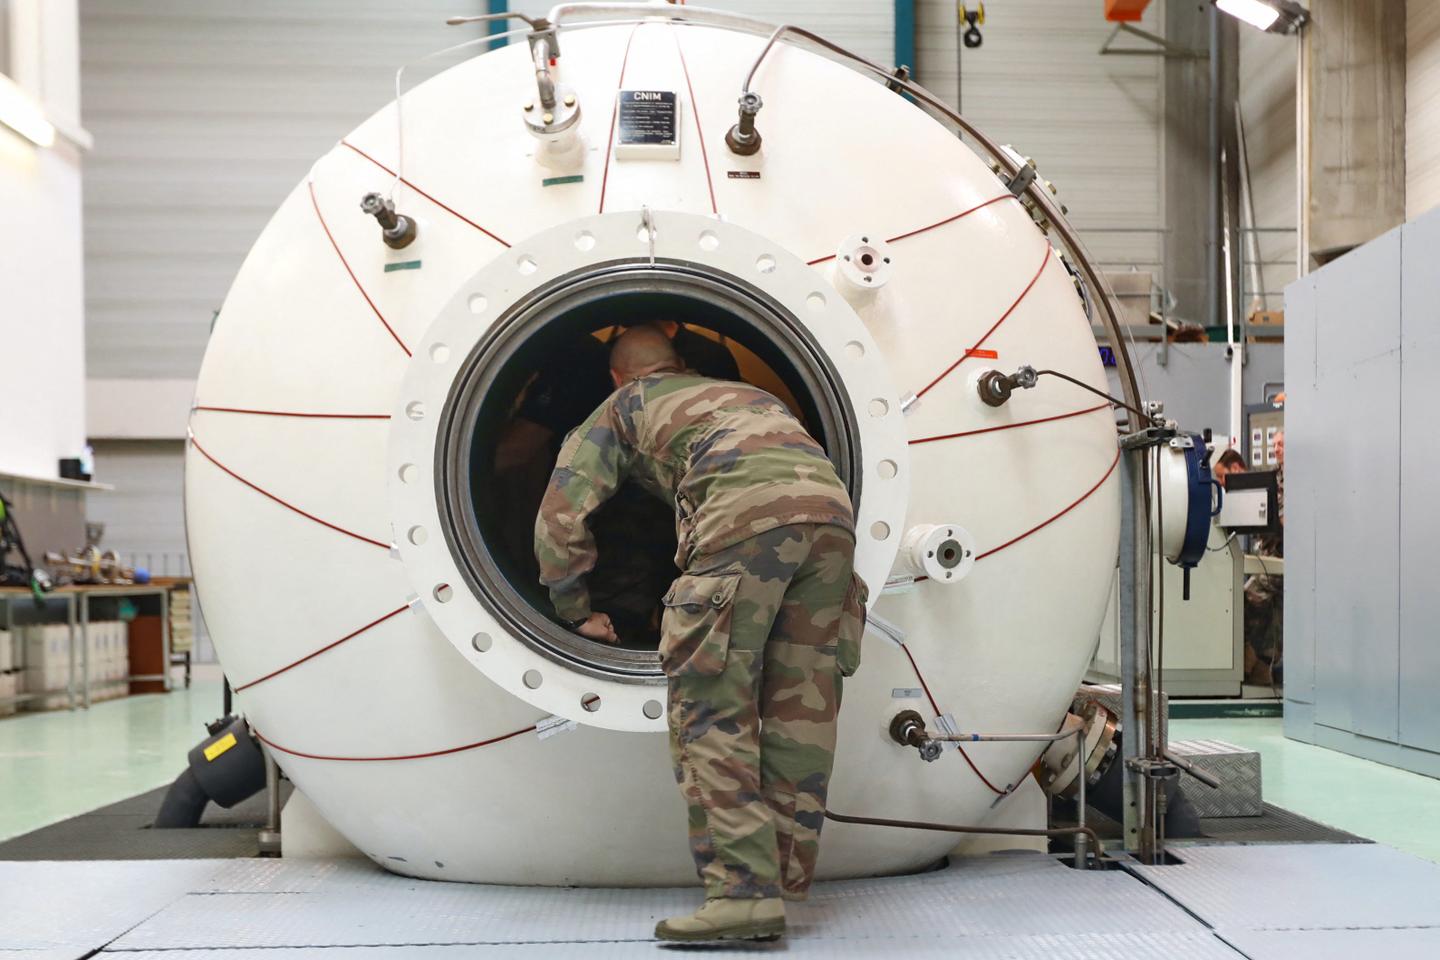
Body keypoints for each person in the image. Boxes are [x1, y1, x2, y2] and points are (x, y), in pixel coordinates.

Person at [533, 326, 866, 943]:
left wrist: (575, 609)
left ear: (617, 378)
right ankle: (783, 879)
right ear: (681, 363)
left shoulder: (624, 404)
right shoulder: (745, 396)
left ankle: (742, 895)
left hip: (744, 523)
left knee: (712, 709)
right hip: (833, 520)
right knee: (802, 709)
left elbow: (560, 516)